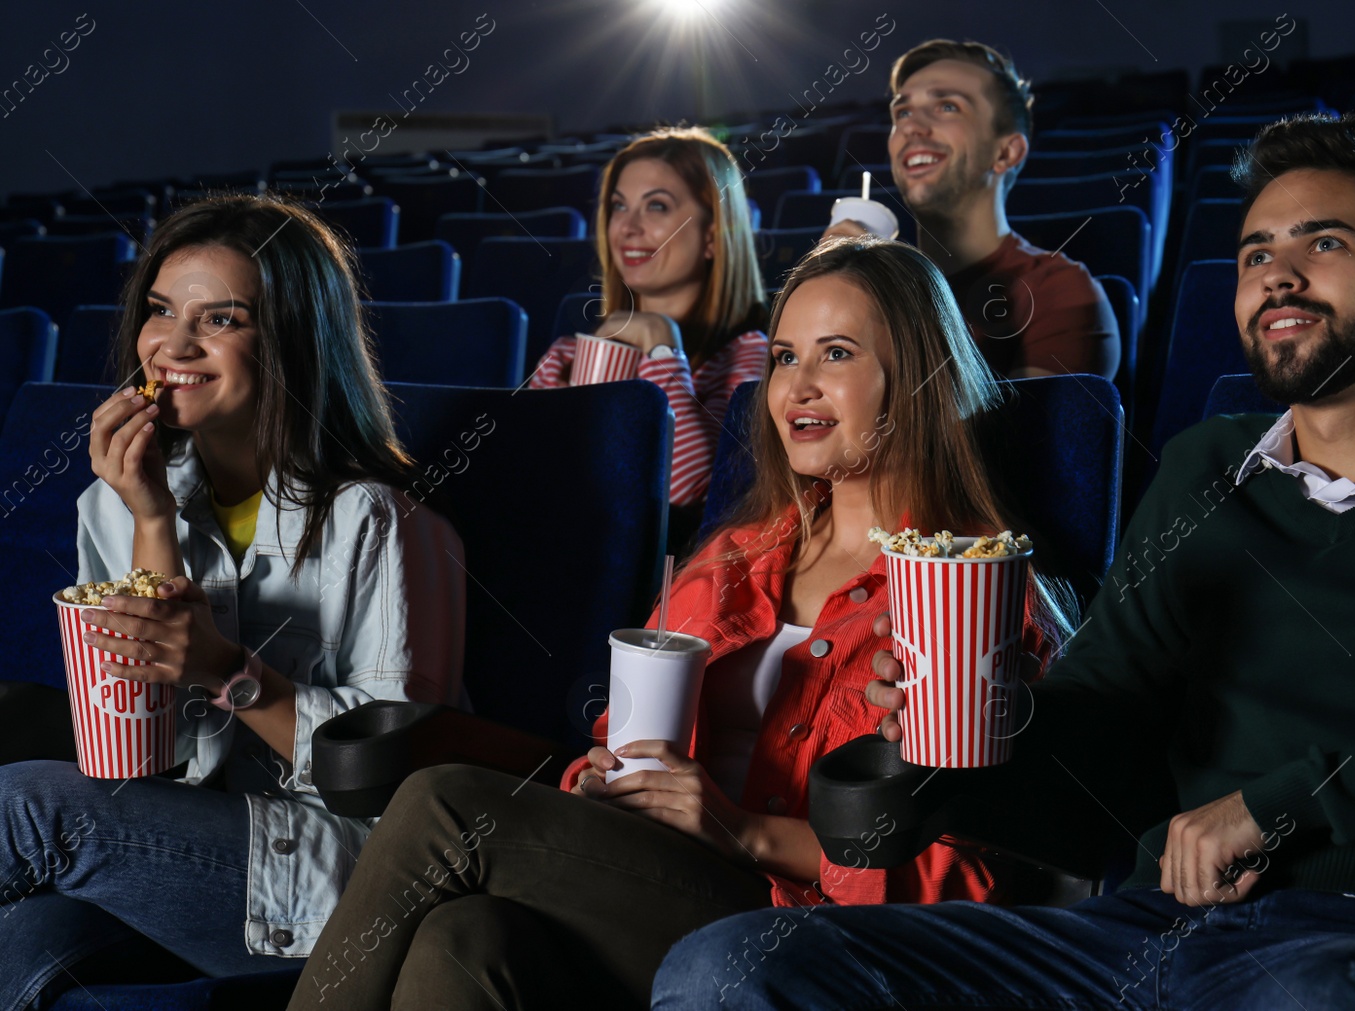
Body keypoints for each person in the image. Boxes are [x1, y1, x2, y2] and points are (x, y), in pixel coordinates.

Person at [653, 112, 1355, 1010]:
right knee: (727, 964)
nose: (1278, 275)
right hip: (1147, 932)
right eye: (1255, 254)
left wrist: (1283, 803)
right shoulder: (1207, 469)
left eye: (1325, 245)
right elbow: (1106, 726)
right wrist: (985, 724)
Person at [285, 236, 1074, 1010]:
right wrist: (595, 779)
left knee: (443, 805)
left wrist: (743, 830)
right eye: (785, 357)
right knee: (465, 936)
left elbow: (970, 883)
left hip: (807, 934)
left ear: (918, 377)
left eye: (836, 354)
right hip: (659, 884)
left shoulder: (974, 597)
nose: (797, 386)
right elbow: (621, 747)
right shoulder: (733, 558)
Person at [0, 195, 466, 1008]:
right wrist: (152, 519)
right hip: (178, 846)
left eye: (220, 320)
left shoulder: (380, 521)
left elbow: (402, 778)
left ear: (289, 342)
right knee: (20, 952)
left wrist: (228, 671)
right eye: (160, 311)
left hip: (348, 870)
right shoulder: (117, 503)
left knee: (23, 806)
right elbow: (142, 757)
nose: (173, 346)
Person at [527, 127, 769, 542]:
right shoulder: (566, 355)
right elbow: (522, 483)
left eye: (656, 206)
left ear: (712, 236)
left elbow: (686, 488)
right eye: (619, 207)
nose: (627, 227)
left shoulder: (749, 355)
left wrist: (661, 343)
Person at [829, 39, 1120, 382]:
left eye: (947, 107)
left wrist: (884, 301)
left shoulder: (1059, 291)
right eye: (902, 112)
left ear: (1006, 153)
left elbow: (1017, 435)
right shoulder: (877, 285)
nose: (911, 126)